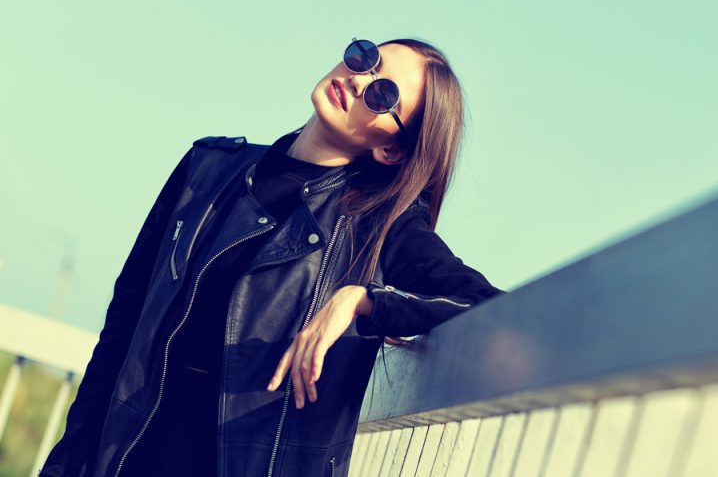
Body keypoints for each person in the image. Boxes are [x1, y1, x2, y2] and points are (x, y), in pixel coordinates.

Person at [39, 38, 506, 477]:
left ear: (391, 149)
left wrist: (364, 300)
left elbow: (492, 310)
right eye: (365, 57)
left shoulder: (381, 225)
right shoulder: (206, 168)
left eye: (383, 95)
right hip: (125, 457)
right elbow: (123, 327)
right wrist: (65, 463)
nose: (360, 80)